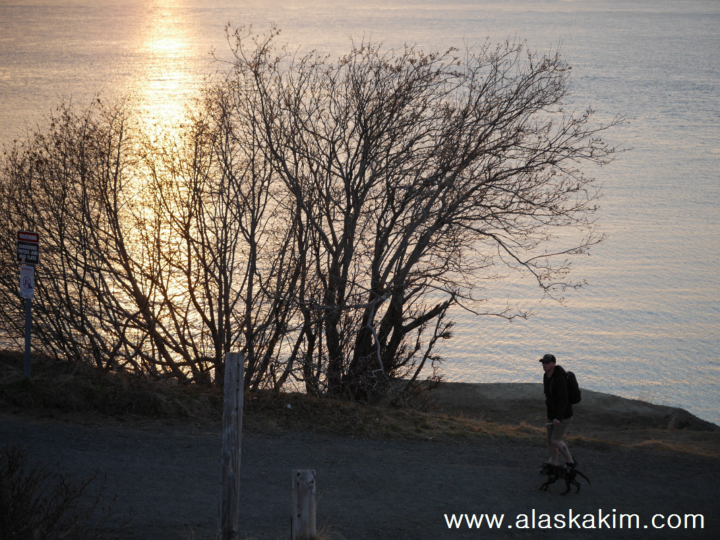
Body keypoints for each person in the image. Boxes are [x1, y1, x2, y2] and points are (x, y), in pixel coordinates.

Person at [539, 353, 577, 468]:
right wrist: (550, 416)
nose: (544, 364)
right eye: (543, 362)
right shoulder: (546, 376)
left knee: (555, 441)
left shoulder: (560, 378)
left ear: (553, 363)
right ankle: (554, 463)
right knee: (549, 440)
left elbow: (564, 400)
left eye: (547, 362)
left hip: (563, 415)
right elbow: (549, 396)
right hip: (552, 414)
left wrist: (558, 418)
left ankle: (570, 462)